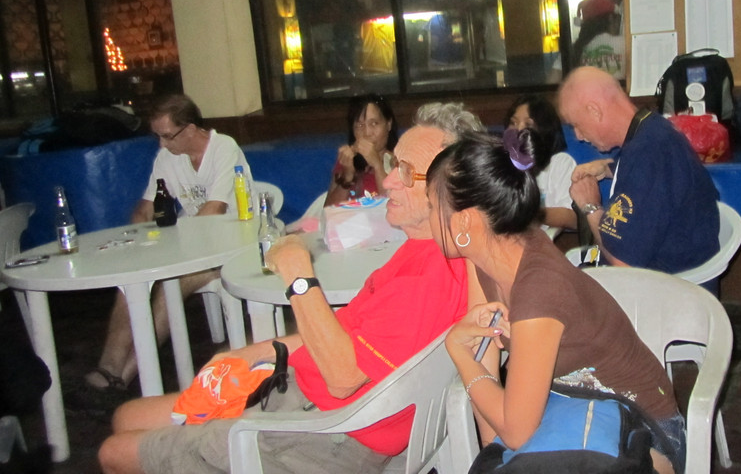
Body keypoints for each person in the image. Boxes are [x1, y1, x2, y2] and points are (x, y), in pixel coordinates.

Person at [98, 102, 485, 474]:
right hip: (309, 397)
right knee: (127, 416)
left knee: (114, 453)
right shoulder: (428, 249)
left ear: (448, 187)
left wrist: (298, 274)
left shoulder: (428, 277)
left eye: (406, 171)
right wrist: (255, 352)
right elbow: (344, 336)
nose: (389, 180)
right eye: (394, 164)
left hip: (327, 432)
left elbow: (343, 378)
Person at [428, 130, 685, 474]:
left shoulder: (539, 287)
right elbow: (487, 371)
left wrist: (457, 351)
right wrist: (494, 456)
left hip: (641, 432)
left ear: (464, 221)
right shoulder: (487, 256)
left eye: (432, 207)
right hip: (570, 410)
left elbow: (516, 430)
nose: (429, 218)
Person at [80, 94, 252, 399]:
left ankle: (125, 376)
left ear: (190, 129)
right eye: (157, 136)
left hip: (234, 245)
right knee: (132, 278)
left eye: (167, 136)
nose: (161, 144)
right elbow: (145, 207)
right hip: (193, 243)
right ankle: (109, 367)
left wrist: (175, 246)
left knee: (173, 283)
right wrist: (137, 241)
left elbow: (214, 210)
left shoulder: (225, 148)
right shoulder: (168, 157)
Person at [558, 65, 719, 274]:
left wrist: (589, 205)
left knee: (557, 279)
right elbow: (650, 178)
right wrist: (609, 168)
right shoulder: (651, 129)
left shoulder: (649, 153)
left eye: (576, 125)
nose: (578, 136)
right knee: (565, 266)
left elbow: (622, 263)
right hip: (663, 261)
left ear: (595, 111)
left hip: (663, 283)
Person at [504, 94, 577, 231]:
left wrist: (526, 214)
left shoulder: (559, 163)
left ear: (545, 130)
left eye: (528, 124)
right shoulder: (500, 162)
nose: (518, 130)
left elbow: (573, 218)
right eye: (513, 123)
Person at [324, 93, 398, 206]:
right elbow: (329, 210)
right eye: (359, 126)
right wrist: (347, 177)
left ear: (388, 124)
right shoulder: (347, 160)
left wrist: (377, 165)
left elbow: (394, 205)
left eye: (374, 123)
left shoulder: (400, 160)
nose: (367, 133)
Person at [572, 0, 625, 81]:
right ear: (610, 18)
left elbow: (553, 80)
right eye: (617, 19)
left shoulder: (575, 49)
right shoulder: (625, 44)